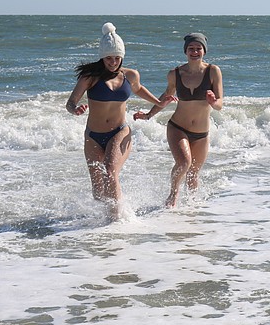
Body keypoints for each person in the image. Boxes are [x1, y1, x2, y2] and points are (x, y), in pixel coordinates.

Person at [66, 22, 176, 219]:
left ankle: (117, 221)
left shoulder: (130, 75)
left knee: (110, 171)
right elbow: (70, 102)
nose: (113, 62)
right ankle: (105, 219)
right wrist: (76, 109)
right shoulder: (89, 77)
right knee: (98, 191)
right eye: (109, 58)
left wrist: (159, 102)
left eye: (117, 58)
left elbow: (139, 89)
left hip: (119, 132)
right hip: (92, 136)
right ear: (102, 57)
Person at [134, 32, 223, 207]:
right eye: (191, 48)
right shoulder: (175, 74)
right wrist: (148, 115)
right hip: (178, 127)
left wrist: (214, 102)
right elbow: (165, 97)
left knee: (193, 173)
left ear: (204, 51)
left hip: (201, 133)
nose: (195, 52)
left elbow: (220, 104)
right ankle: (172, 197)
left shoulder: (213, 71)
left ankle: (192, 209)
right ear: (185, 51)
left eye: (198, 48)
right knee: (184, 163)